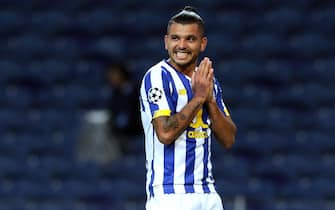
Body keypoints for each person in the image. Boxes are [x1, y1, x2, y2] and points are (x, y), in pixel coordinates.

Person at [139, 6, 237, 210]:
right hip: (170, 195)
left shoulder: (208, 81)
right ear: (166, 42)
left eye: (190, 39)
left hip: (207, 193)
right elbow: (165, 133)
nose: (181, 45)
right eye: (175, 38)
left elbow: (228, 139)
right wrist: (198, 98)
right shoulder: (158, 76)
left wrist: (209, 100)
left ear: (203, 44)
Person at [106, 63, 142, 155]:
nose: (112, 78)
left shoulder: (136, 91)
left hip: (137, 132)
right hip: (119, 134)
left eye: (114, 74)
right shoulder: (114, 94)